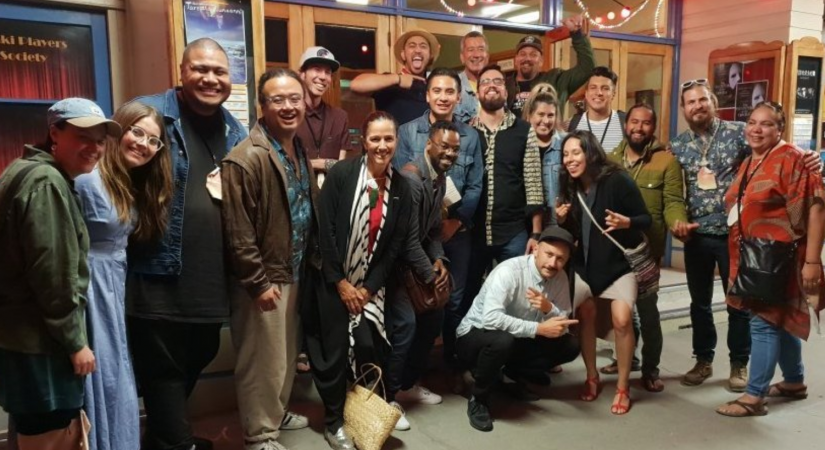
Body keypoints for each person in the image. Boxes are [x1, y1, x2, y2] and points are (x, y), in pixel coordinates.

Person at [126, 37, 248, 450]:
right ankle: (176, 441)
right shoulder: (149, 115)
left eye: (219, 71)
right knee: (163, 372)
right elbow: (111, 177)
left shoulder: (235, 130)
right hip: (157, 278)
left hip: (210, 280)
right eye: (200, 69)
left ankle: (163, 436)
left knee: (198, 354)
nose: (210, 78)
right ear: (181, 71)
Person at [0, 97, 120, 449]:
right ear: (55, 132)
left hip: (23, 339)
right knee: (52, 434)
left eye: (100, 140)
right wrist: (75, 342)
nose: (94, 148)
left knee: (32, 430)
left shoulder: (24, 170)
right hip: (41, 342)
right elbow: (53, 275)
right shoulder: (47, 183)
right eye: (83, 137)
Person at [304, 111, 416, 450]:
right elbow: (325, 231)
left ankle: (361, 412)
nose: (382, 145)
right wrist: (341, 283)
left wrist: (367, 289)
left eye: (388, 138)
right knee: (335, 351)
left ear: (396, 141)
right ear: (364, 141)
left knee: (369, 344)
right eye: (375, 138)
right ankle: (334, 421)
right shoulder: (342, 174)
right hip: (332, 278)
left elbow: (393, 248)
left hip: (369, 285)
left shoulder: (402, 188)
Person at [221, 68, 317, 450]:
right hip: (264, 278)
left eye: (295, 98)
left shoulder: (296, 147)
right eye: (278, 100)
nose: (288, 106)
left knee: (285, 355)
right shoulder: (245, 158)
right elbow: (238, 231)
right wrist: (257, 282)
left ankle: (275, 412)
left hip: (293, 269)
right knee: (261, 360)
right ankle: (259, 434)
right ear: (263, 105)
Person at [715, 102, 825, 417]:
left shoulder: (793, 159)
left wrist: (813, 262)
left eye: (766, 124)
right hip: (754, 255)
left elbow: (817, 207)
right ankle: (794, 381)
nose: (756, 129)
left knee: (762, 321)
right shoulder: (751, 158)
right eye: (752, 122)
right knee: (782, 319)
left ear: (780, 129)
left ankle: (754, 396)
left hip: (777, 258)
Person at [75, 102, 172, 450]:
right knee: (96, 373)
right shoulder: (87, 180)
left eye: (153, 140)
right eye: (137, 132)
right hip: (89, 288)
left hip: (113, 287)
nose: (144, 144)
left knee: (114, 373)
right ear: (119, 130)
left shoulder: (124, 181)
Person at [557, 130, 651, 415]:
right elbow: (574, 233)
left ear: (590, 152)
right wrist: (561, 220)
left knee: (622, 320)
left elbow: (646, 219)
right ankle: (591, 376)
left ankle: (623, 387)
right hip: (586, 267)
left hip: (619, 265)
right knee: (585, 314)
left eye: (576, 152)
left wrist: (627, 222)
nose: (570, 160)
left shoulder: (617, 180)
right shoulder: (569, 185)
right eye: (565, 155)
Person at [393, 67, 484, 363]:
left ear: (459, 97)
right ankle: (415, 365)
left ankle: (450, 362)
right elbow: (399, 183)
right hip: (417, 235)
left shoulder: (471, 136)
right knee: (417, 297)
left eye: (449, 91)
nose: (443, 97)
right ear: (427, 95)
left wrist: (456, 221)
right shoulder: (407, 132)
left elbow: (476, 184)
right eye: (437, 91)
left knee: (453, 298)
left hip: (457, 230)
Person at [605, 103, 696, 392]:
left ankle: (651, 368)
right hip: (615, 249)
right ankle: (626, 358)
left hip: (647, 251)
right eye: (634, 121)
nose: (638, 128)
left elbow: (673, 201)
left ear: (653, 128)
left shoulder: (666, 161)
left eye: (645, 123)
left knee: (647, 312)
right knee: (622, 309)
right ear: (626, 124)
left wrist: (678, 222)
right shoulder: (610, 160)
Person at [669, 79, 752, 392]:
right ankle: (703, 360)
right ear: (684, 109)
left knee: (737, 302)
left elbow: (772, 152)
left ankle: (739, 363)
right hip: (697, 237)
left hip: (734, 233)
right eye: (691, 102)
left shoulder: (739, 132)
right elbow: (672, 191)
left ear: (713, 102)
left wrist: (806, 157)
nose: (697, 106)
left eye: (702, 100)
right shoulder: (677, 146)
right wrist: (676, 220)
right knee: (700, 304)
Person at [456, 226, 580, 432]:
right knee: (502, 341)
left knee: (570, 345)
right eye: (549, 254)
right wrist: (539, 328)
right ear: (536, 249)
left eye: (560, 259)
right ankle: (479, 398)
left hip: (517, 337)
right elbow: (491, 319)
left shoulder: (560, 277)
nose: (553, 263)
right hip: (475, 335)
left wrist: (549, 308)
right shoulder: (509, 271)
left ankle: (511, 375)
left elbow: (563, 324)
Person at [386, 120, 458, 431]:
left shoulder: (440, 179)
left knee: (433, 319)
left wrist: (440, 260)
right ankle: (387, 397)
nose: (450, 153)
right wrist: (430, 274)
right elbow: (407, 240)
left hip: (417, 265)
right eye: (444, 146)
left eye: (455, 149)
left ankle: (407, 384)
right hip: (395, 268)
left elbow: (433, 232)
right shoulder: (412, 179)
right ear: (429, 144)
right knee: (405, 326)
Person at [464, 64, 544, 310]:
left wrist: (536, 233)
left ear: (506, 91)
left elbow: (533, 182)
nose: (492, 86)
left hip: (513, 232)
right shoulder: (465, 131)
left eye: (497, 82)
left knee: (516, 298)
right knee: (468, 297)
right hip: (472, 233)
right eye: (485, 82)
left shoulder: (524, 131)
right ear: (477, 92)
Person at [507, 15, 593, 118]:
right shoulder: (503, 85)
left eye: (533, 54)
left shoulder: (556, 80)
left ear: (541, 61)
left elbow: (587, 68)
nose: (527, 58)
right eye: (523, 54)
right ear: (516, 60)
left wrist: (577, 35)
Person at [351, 30, 440, 125]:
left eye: (423, 46)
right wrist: (399, 79)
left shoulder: (434, 88)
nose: (418, 50)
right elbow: (356, 85)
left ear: (430, 56)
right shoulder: (390, 82)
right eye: (412, 46)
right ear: (403, 55)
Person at [296, 46, 352, 182]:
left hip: (331, 191)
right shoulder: (291, 116)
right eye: (317, 69)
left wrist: (311, 163)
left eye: (327, 72)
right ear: (302, 74)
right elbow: (285, 166)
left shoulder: (340, 117)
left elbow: (341, 169)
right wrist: (326, 163)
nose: (322, 77)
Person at [522, 83, 564, 225]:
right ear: (529, 115)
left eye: (550, 115)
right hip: (526, 220)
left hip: (557, 220)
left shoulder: (566, 142)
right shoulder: (520, 143)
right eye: (540, 114)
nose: (545, 121)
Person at [568, 66, 626, 153]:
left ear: (613, 94)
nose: (599, 93)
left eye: (605, 88)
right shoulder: (571, 124)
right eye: (593, 87)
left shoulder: (625, 122)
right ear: (586, 93)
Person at [455, 31, 489, 123]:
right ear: (462, 57)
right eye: (470, 50)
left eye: (481, 49)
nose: (476, 55)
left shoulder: (497, 87)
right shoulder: (453, 86)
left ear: (487, 56)